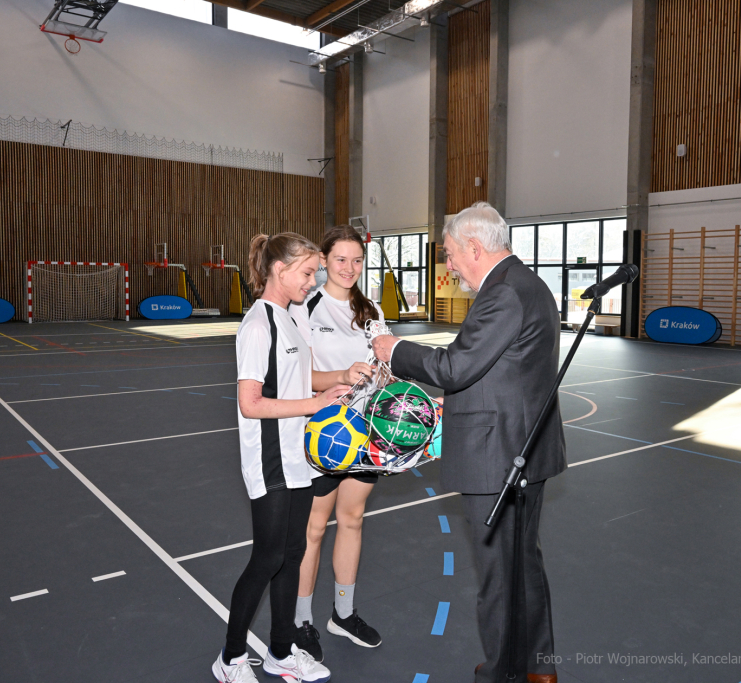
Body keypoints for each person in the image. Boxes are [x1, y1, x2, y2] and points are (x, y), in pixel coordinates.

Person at [371, 202, 566, 683]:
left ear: (475, 248)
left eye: (452, 254)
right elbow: (504, 370)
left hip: (497, 456)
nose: (450, 264)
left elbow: (455, 368)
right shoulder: (528, 285)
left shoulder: (503, 294)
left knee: (499, 576)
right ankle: (538, 665)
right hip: (524, 446)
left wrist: (394, 349)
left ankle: (501, 672)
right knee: (523, 565)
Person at [212, 232, 372, 683]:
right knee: (266, 558)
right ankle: (230, 658)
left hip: (297, 457)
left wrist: (339, 379)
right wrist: (311, 406)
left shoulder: (290, 319)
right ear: (278, 271)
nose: (312, 281)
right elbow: (251, 402)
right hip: (269, 459)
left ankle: (282, 652)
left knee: (293, 552)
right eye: (306, 273)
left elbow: (303, 381)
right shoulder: (258, 324)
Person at [289, 225, 384, 661]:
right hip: (322, 435)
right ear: (323, 260)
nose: (350, 268)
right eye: (341, 259)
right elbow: (294, 377)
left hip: (364, 434)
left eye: (357, 260)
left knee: (353, 519)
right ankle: (301, 620)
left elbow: (383, 372)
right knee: (312, 528)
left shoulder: (371, 311)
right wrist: (342, 377)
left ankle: (342, 615)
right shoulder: (305, 307)